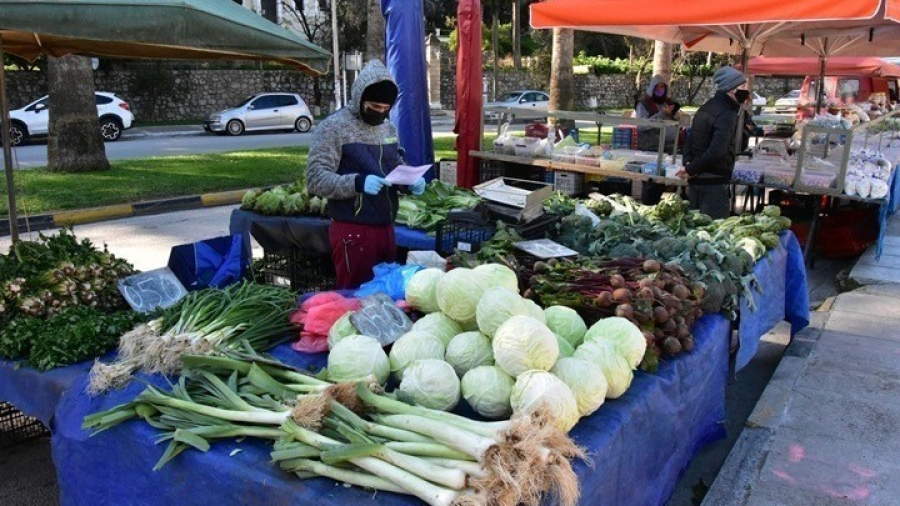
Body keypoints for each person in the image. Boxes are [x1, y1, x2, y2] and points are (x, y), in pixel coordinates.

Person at [306, 60, 426, 289]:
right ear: (359, 98)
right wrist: (357, 183)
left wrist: (409, 182)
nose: (379, 113)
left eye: (385, 109)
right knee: (354, 296)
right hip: (353, 230)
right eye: (373, 107)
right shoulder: (334, 128)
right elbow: (315, 178)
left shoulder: (388, 128)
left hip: (386, 227)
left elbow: (394, 166)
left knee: (385, 294)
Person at [678, 66, 747, 219]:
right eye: (742, 86)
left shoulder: (705, 107)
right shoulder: (726, 113)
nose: (745, 90)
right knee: (712, 232)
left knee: (695, 229)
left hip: (696, 183)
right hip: (714, 184)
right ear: (730, 89)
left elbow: (689, 139)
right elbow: (718, 150)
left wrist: (689, 165)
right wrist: (690, 169)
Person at [635, 75, 680, 205]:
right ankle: (648, 206)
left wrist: (675, 116)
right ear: (652, 88)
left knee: (661, 182)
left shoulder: (667, 103)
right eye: (658, 87)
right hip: (650, 150)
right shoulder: (643, 104)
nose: (660, 90)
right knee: (651, 183)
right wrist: (662, 114)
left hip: (667, 149)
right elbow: (642, 125)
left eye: (663, 87)